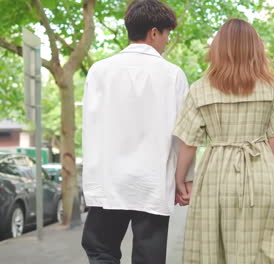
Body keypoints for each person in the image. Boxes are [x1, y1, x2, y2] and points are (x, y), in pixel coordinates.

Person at [173, 18, 274, 264]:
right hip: (260, 170)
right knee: (265, 244)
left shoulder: (200, 89)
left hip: (215, 175)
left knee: (212, 245)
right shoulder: (270, 87)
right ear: (256, 48)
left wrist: (182, 180)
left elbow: (189, 143)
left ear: (217, 49)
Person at [81, 1, 191, 263]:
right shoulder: (173, 75)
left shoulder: (99, 71)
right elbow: (185, 134)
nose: (166, 41)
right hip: (152, 182)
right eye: (166, 34)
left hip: (108, 182)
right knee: (149, 257)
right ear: (154, 32)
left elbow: (91, 125)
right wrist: (182, 179)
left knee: (100, 250)